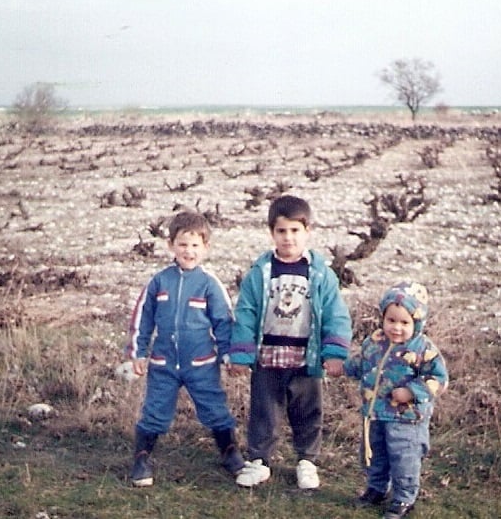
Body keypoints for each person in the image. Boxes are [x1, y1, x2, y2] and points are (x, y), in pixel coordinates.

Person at [228, 195, 352, 489]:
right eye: (281, 231)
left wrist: (334, 351)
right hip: (268, 355)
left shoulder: (320, 274)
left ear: (307, 231)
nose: (288, 238)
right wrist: (241, 354)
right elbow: (246, 312)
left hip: (305, 356)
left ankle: (307, 461)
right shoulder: (260, 272)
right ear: (272, 233)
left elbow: (335, 313)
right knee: (264, 410)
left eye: (295, 230)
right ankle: (260, 460)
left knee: (307, 410)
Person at [124, 211, 245, 487]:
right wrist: (138, 352)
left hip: (201, 363)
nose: (188, 251)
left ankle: (229, 451)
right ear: (171, 246)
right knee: (155, 409)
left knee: (214, 407)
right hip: (163, 363)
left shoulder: (209, 284)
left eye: (195, 245)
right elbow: (142, 317)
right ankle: (142, 458)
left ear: (205, 248)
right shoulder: (159, 281)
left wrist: (229, 354)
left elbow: (224, 322)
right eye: (182, 244)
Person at [344, 281, 448, 519]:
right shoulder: (375, 342)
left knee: (404, 458)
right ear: (383, 318)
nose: (396, 328)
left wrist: (412, 391)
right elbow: (363, 363)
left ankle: (404, 498)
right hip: (375, 413)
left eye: (404, 322)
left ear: (417, 323)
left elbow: (439, 379)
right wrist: (345, 367)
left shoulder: (423, 349)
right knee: (373, 453)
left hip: (407, 419)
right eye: (391, 320)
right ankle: (377, 488)